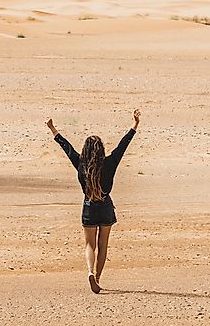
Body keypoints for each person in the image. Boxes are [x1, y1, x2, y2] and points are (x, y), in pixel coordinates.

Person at [46, 109, 140, 293]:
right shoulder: (110, 163)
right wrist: (135, 125)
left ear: (86, 150)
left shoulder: (81, 164)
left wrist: (53, 129)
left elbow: (68, 149)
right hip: (105, 206)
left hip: (89, 207)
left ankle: (90, 272)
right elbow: (123, 146)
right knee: (103, 244)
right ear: (101, 150)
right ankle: (97, 278)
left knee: (90, 245)